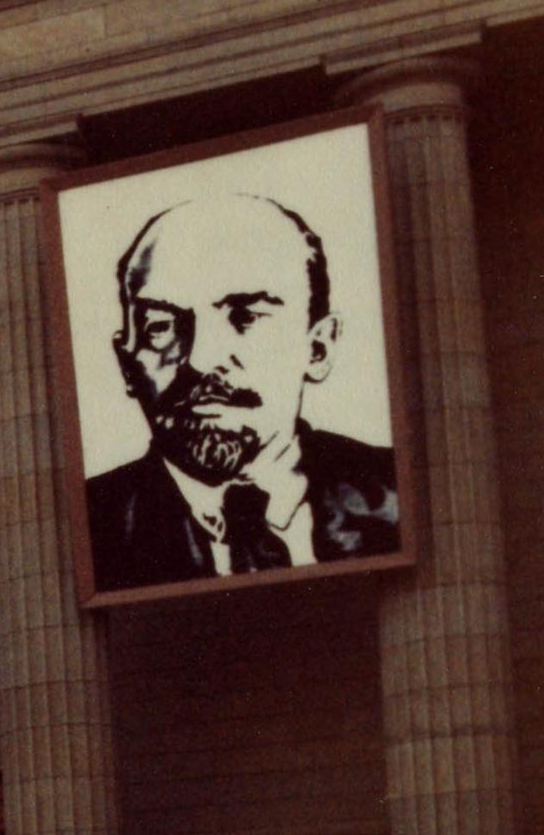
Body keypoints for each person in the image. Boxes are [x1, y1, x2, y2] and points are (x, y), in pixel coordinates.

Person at [85, 190, 399, 593]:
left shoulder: (396, 497)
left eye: (246, 316)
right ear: (126, 362)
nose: (199, 359)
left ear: (318, 347)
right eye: (160, 326)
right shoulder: (93, 525)